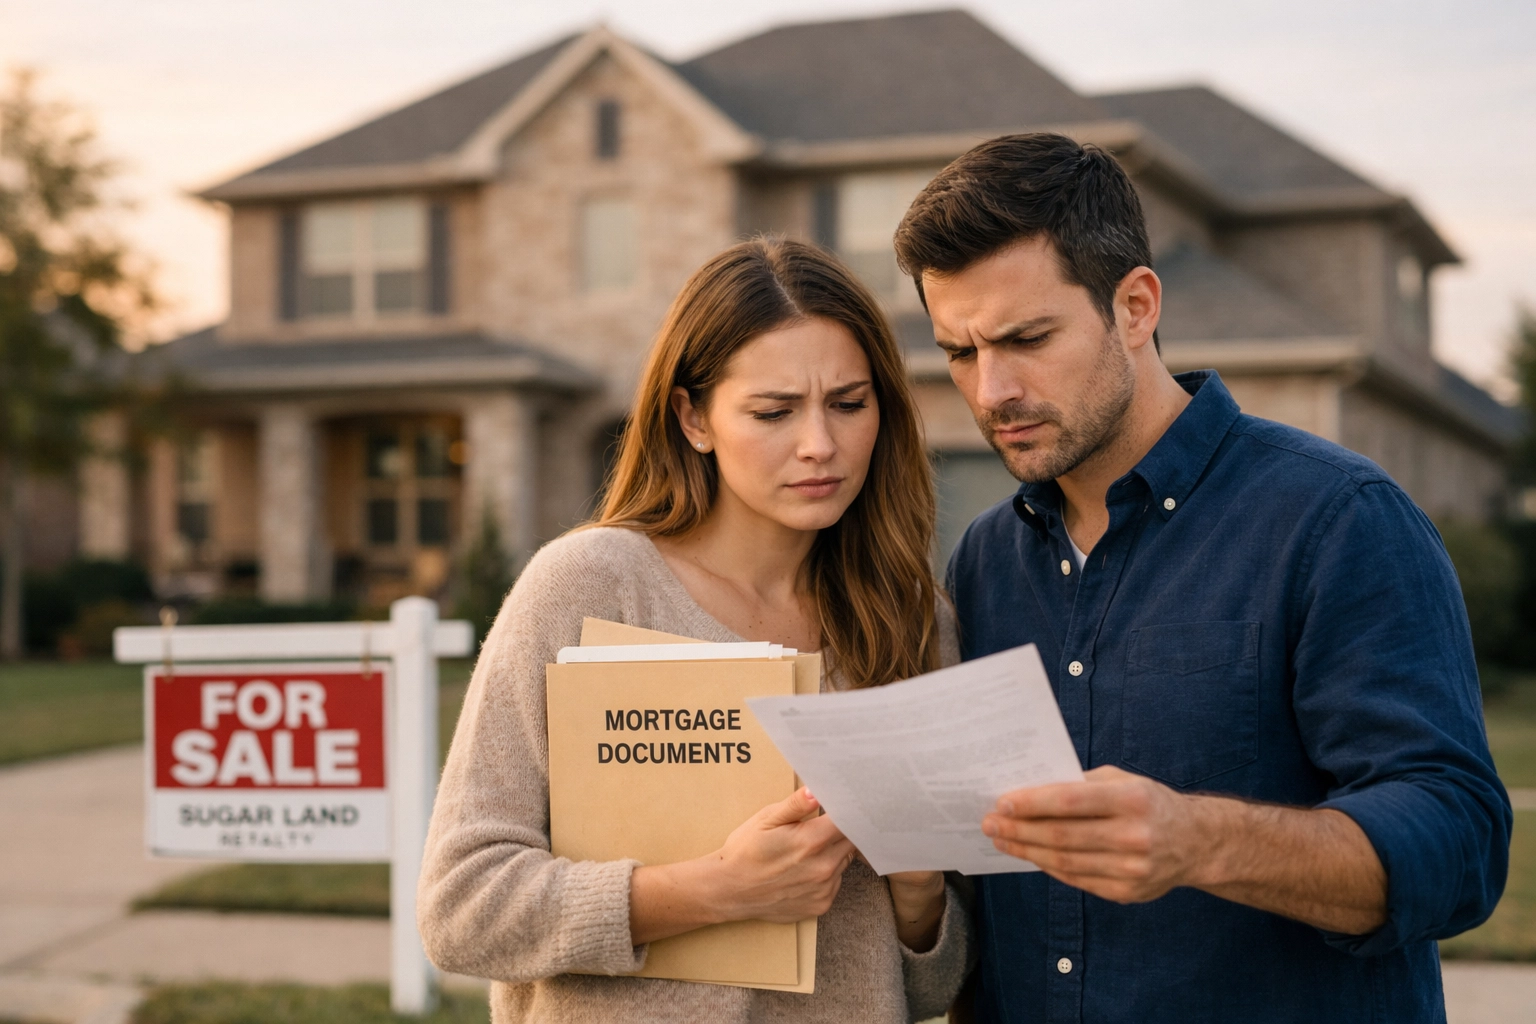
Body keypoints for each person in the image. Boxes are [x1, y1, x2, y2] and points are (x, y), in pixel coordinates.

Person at [891, 133, 1511, 1023]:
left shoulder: (1338, 518)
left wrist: (1200, 840)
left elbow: (1459, 846)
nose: (991, 391)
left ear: (1136, 305)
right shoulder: (986, 558)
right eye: (959, 352)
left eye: (1027, 338)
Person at [417, 238, 973, 1022]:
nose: (820, 444)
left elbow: (926, 990)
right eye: (774, 411)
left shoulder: (912, 621)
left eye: (849, 403)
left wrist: (920, 892)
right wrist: (720, 890)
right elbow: (461, 910)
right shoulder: (591, 586)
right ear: (693, 418)